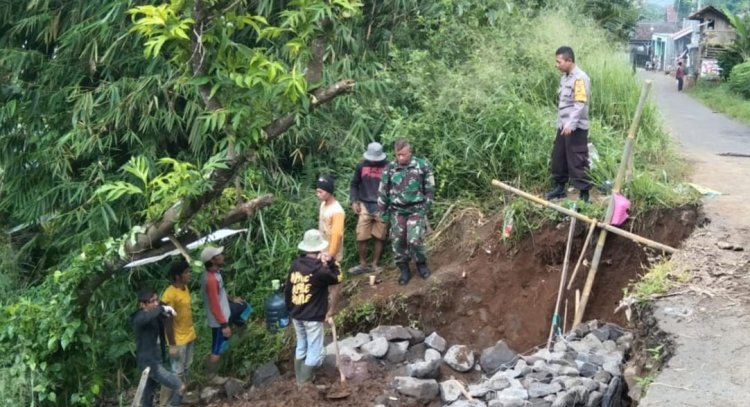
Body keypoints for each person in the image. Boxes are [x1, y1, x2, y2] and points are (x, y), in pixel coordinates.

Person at [284, 229, 342, 386]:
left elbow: (287, 290)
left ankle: (299, 381)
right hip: (312, 316)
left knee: (302, 345)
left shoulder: (295, 264)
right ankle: (305, 384)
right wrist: (331, 262)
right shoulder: (319, 270)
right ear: (319, 249)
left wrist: (290, 309)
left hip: (296, 314)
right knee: (315, 350)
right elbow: (337, 277)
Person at [377, 139, 435, 285]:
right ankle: (404, 269)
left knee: (414, 239)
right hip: (397, 211)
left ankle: (421, 264)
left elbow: (430, 189)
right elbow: (383, 191)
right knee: (398, 240)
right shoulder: (389, 168)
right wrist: (383, 212)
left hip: (416, 209)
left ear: (410, 152)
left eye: (403, 154)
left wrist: (425, 208)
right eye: (398, 155)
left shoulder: (422, 165)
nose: (400, 158)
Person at [545, 46, 592, 203]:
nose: (556, 65)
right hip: (563, 126)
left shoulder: (579, 78)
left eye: (559, 62)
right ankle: (559, 188)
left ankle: (584, 194)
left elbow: (580, 104)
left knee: (577, 159)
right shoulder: (565, 77)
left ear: (569, 60)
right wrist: (562, 124)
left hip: (575, 128)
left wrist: (571, 124)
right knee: (559, 157)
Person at [130, 288, 185, 407]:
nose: (156, 303)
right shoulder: (139, 317)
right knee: (180, 387)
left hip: (155, 361)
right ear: (142, 305)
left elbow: (161, 317)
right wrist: (162, 308)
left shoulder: (153, 315)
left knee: (148, 396)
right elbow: (146, 318)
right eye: (152, 301)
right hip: (150, 364)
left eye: (157, 300)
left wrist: (166, 312)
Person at [158, 261, 196, 406]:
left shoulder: (185, 288)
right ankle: (168, 402)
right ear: (177, 276)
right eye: (186, 272)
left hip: (189, 334)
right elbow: (167, 320)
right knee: (176, 372)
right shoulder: (169, 294)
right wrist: (172, 344)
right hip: (178, 339)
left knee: (186, 368)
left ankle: (182, 396)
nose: (189, 274)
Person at [348, 142, 389, 274]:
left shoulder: (388, 166)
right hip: (364, 205)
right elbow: (354, 184)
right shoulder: (361, 166)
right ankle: (363, 264)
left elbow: (393, 186)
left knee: (379, 236)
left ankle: (375, 264)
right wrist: (354, 201)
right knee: (361, 236)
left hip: (382, 206)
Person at [200, 246, 233, 377]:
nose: (222, 256)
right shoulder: (211, 279)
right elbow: (214, 304)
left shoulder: (215, 273)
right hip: (219, 320)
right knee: (216, 349)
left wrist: (230, 298)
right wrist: (224, 325)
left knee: (220, 345)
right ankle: (210, 375)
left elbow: (219, 294)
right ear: (213, 260)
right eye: (219, 255)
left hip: (223, 316)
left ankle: (212, 370)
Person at [316, 174, 345, 262]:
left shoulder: (337, 211)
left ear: (329, 191)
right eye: (317, 191)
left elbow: (337, 235)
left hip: (331, 255)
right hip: (323, 249)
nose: (318, 194)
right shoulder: (323, 205)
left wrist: (331, 255)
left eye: (320, 192)